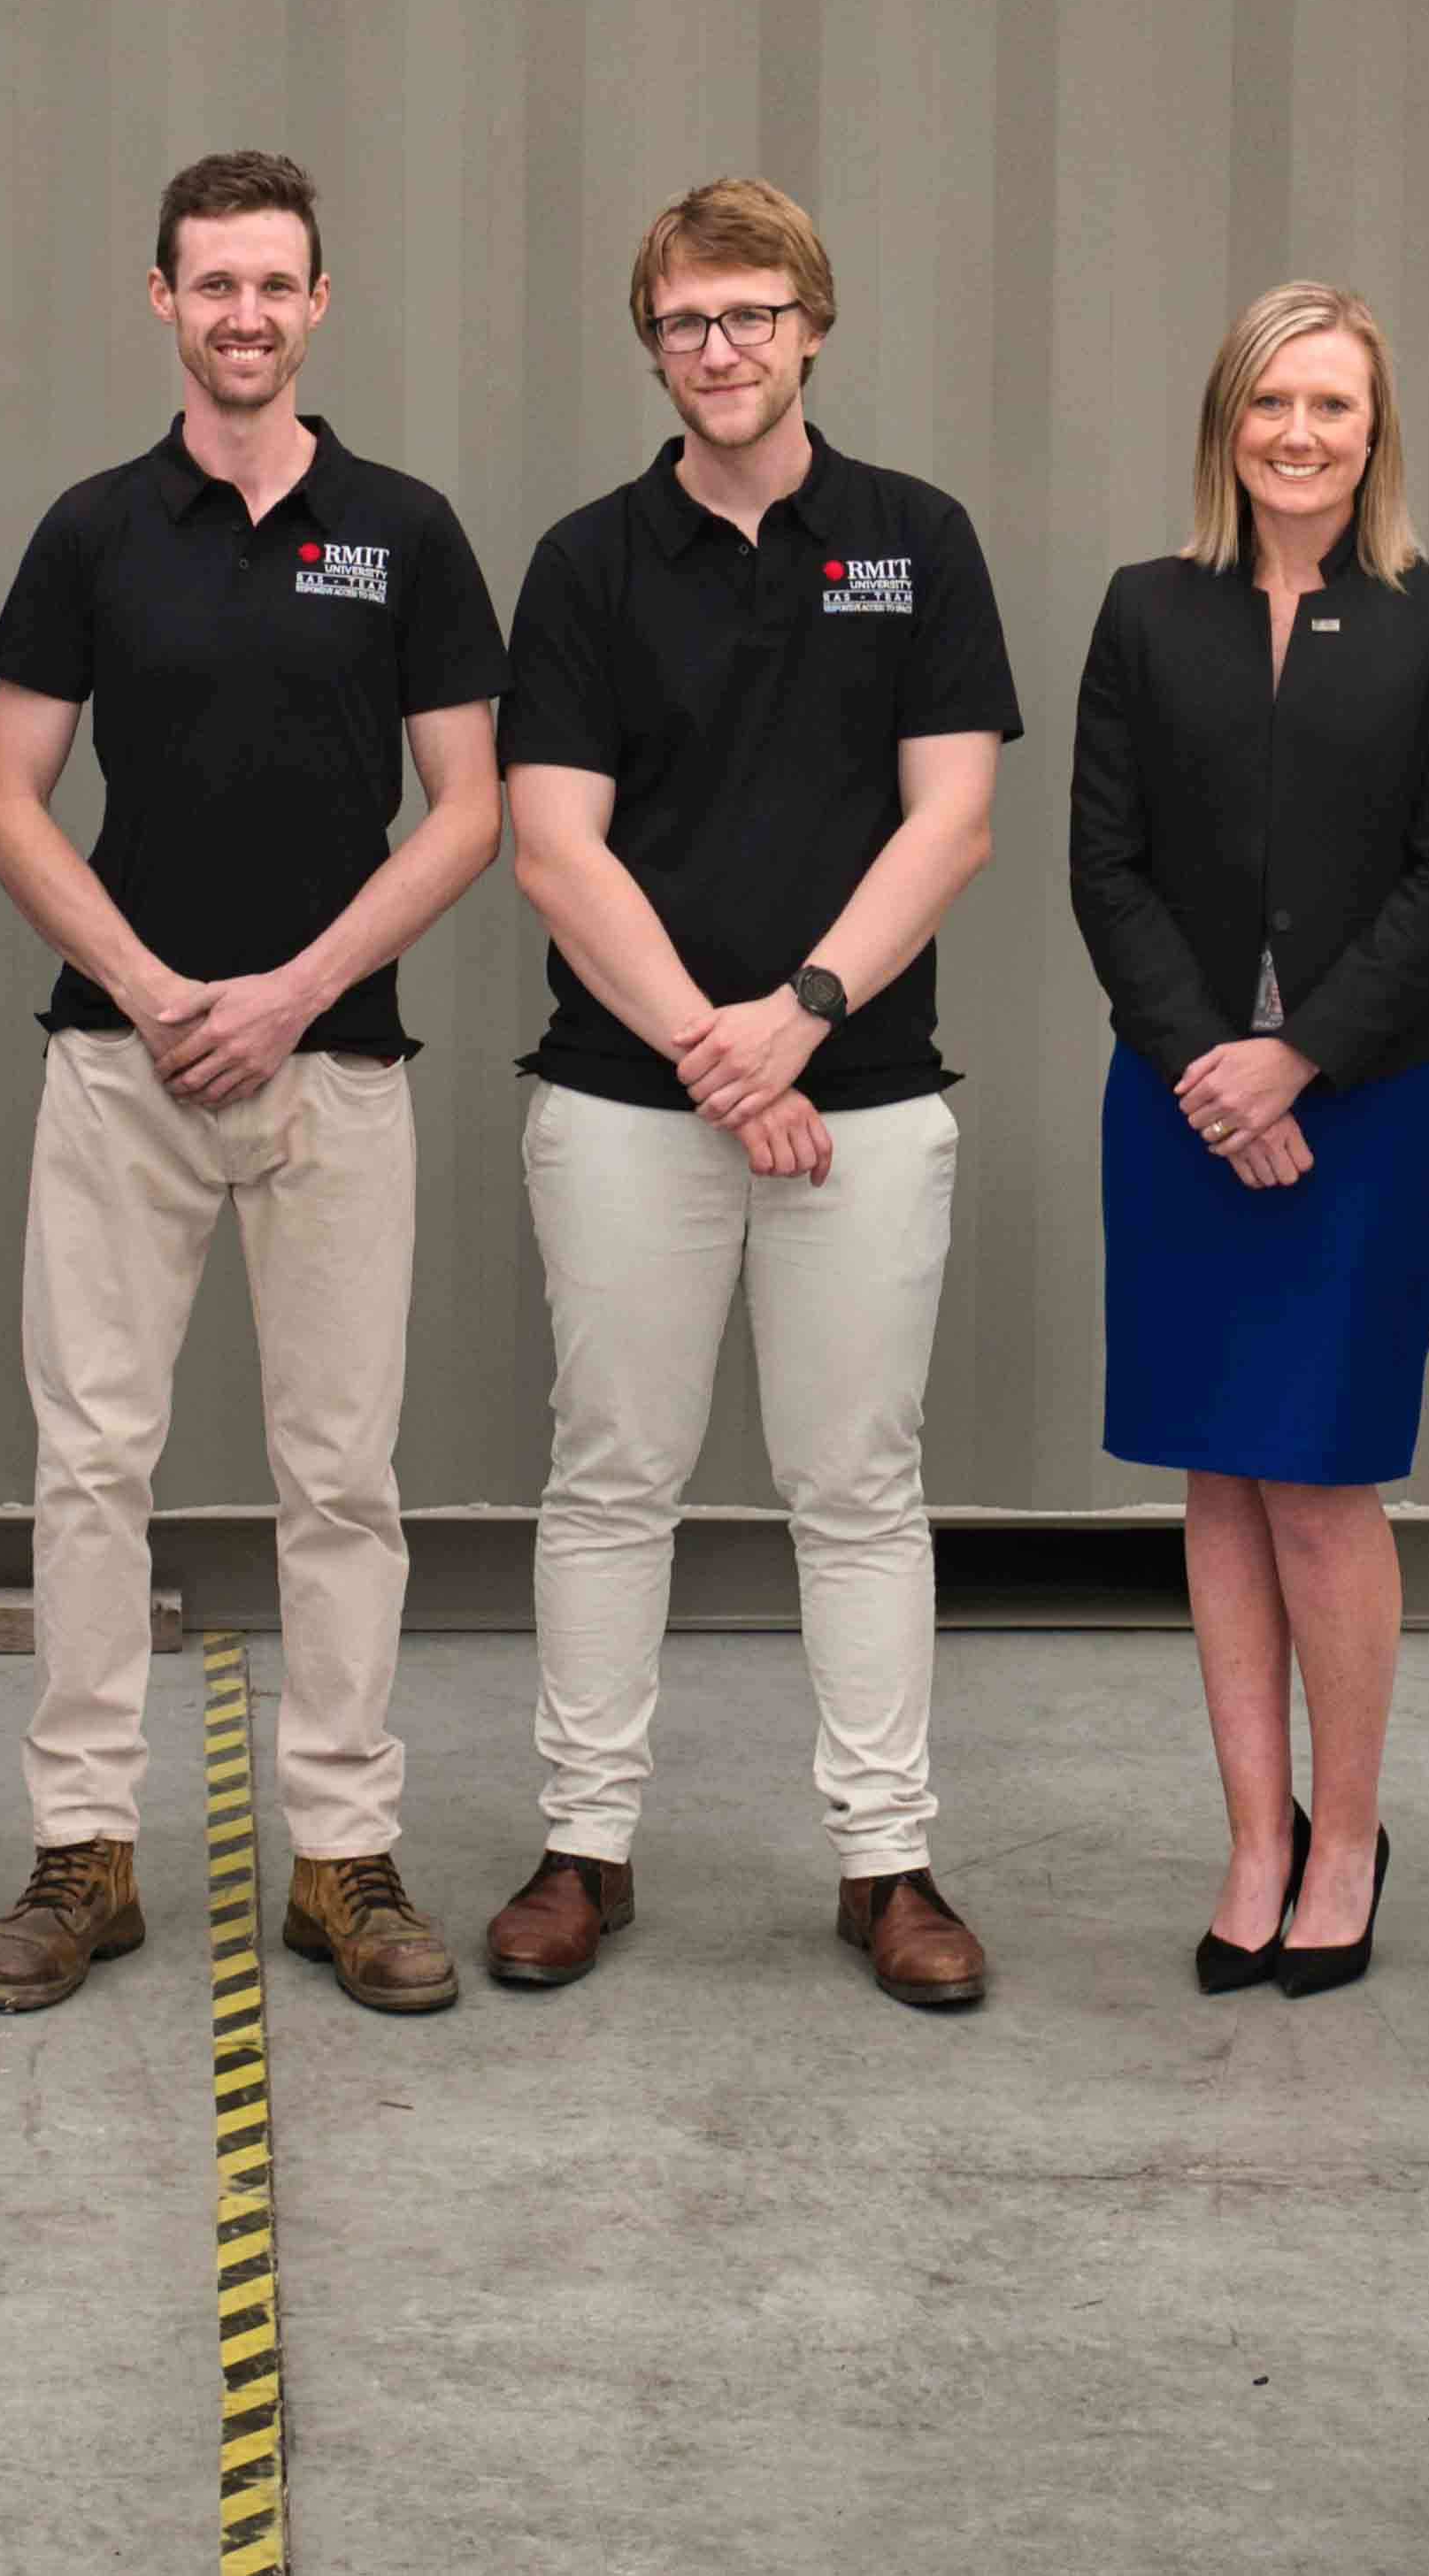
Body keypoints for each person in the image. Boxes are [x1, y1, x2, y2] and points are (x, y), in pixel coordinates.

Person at [0, 151, 507, 2018]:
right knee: (91, 1469)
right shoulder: (93, 532)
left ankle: (342, 1858)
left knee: (340, 1479)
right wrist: (154, 983)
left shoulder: (404, 532)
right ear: (163, 299)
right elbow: (1, 800)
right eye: (214, 285)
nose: (246, 314)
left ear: (317, 301)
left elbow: (473, 811)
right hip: (120, 1071)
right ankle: (83, 1854)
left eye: (276, 283)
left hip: (334, 1069)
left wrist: (291, 991)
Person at [490, 178, 1020, 2010]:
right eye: (683, 322)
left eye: (750, 314)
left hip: (857, 1098)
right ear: (653, 345)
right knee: (610, 1478)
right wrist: (718, 1064)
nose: (719, 350)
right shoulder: (588, 562)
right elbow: (551, 846)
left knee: (858, 1489)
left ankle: (886, 1868)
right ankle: (583, 1850)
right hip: (628, 1105)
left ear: (812, 324)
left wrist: (793, 1017)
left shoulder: (914, 541)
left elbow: (949, 819)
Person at [1070, 282, 1429, 1999]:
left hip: (1370, 1106)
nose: (1299, 434)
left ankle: (1346, 1836)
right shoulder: (1144, 611)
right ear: (1224, 425)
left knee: (1319, 1481)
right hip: (1179, 1106)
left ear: (1373, 430)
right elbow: (1102, 866)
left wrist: (1297, 1062)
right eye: (1269, 404)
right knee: (1217, 1471)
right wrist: (1207, 1067)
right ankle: (1252, 1834)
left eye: (1330, 405)